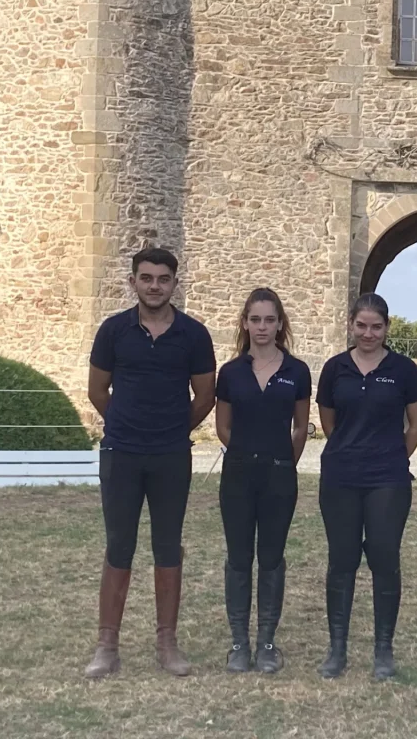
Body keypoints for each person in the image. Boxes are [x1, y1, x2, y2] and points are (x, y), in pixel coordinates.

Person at [84, 247, 216, 678]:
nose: (154, 285)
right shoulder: (113, 331)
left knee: (167, 545)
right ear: (133, 282)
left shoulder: (194, 335)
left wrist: (174, 430)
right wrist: (126, 425)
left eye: (163, 279)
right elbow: (97, 391)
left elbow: (206, 396)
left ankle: (167, 644)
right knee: (119, 545)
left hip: (170, 456)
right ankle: (107, 646)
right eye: (146, 278)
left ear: (175, 283)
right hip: (121, 453)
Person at [315, 293, 417, 681]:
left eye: (376, 327)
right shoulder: (335, 369)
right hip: (341, 478)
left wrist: (395, 457)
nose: (368, 333)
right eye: (361, 326)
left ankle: (383, 651)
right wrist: (350, 451)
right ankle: (337, 649)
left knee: (384, 560)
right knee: (342, 562)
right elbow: (329, 422)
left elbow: (416, 424)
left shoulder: (403, 370)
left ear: (387, 328)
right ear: (350, 325)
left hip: (388, 481)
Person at [214, 288, 311, 674]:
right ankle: (239, 642)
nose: (262, 327)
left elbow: (301, 426)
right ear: (245, 323)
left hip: (279, 478)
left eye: (270, 320)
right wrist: (244, 451)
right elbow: (223, 425)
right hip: (237, 476)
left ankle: (267, 642)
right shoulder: (231, 372)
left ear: (280, 324)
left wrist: (283, 461)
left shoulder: (296, 372)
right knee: (239, 559)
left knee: (271, 559)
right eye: (255, 319)